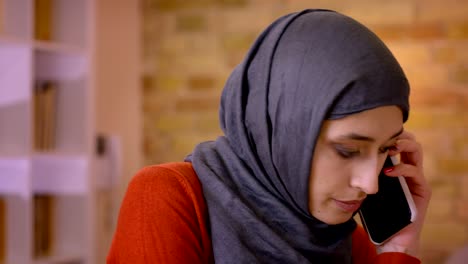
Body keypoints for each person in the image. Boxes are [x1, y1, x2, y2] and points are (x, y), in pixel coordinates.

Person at [107, 9, 431, 263]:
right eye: (347, 150)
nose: (371, 184)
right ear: (285, 133)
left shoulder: (346, 239)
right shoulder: (168, 198)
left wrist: (400, 246)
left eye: (385, 149)